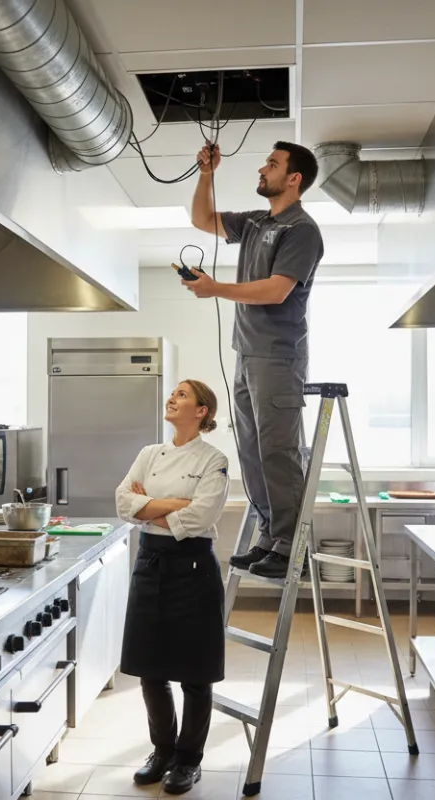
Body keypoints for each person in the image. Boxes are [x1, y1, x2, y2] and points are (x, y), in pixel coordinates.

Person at [183, 140, 324, 579]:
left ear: (293, 178)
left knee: (279, 452)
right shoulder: (258, 221)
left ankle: (289, 546)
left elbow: (276, 289)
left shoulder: (301, 230)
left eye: (272, 164)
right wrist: (207, 173)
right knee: (252, 451)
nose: (263, 169)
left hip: (278, 358)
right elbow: (202, 219)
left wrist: (216, 288)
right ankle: (269, 535)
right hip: (246, 353)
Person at [114, 380, 230, 795]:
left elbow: (200, 519)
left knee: (196, 675)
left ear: (201, 411)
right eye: (173, 394)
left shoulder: (214, 460)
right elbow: (123, 501)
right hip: (150, 563)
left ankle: (188, 760)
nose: (172, 399)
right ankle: (162, 751)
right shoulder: (149, 454)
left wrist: (149, 509)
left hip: (194, 567)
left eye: (182, 395)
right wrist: (173, 507)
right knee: (150, 669)